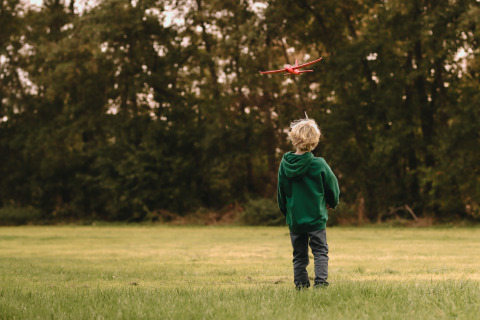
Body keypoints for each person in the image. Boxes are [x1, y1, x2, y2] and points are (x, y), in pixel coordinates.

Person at [277, 116, 340, 290]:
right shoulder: (319, 164)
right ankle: (320, 283)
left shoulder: (285, 164)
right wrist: (332, 202)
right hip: (316, 217)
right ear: (314, 141)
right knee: (320, 251)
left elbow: (281, 192)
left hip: (295, 218)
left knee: (299, 255)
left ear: (294, 138)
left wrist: (287, 212)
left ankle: (301, 286)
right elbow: (333, 186)